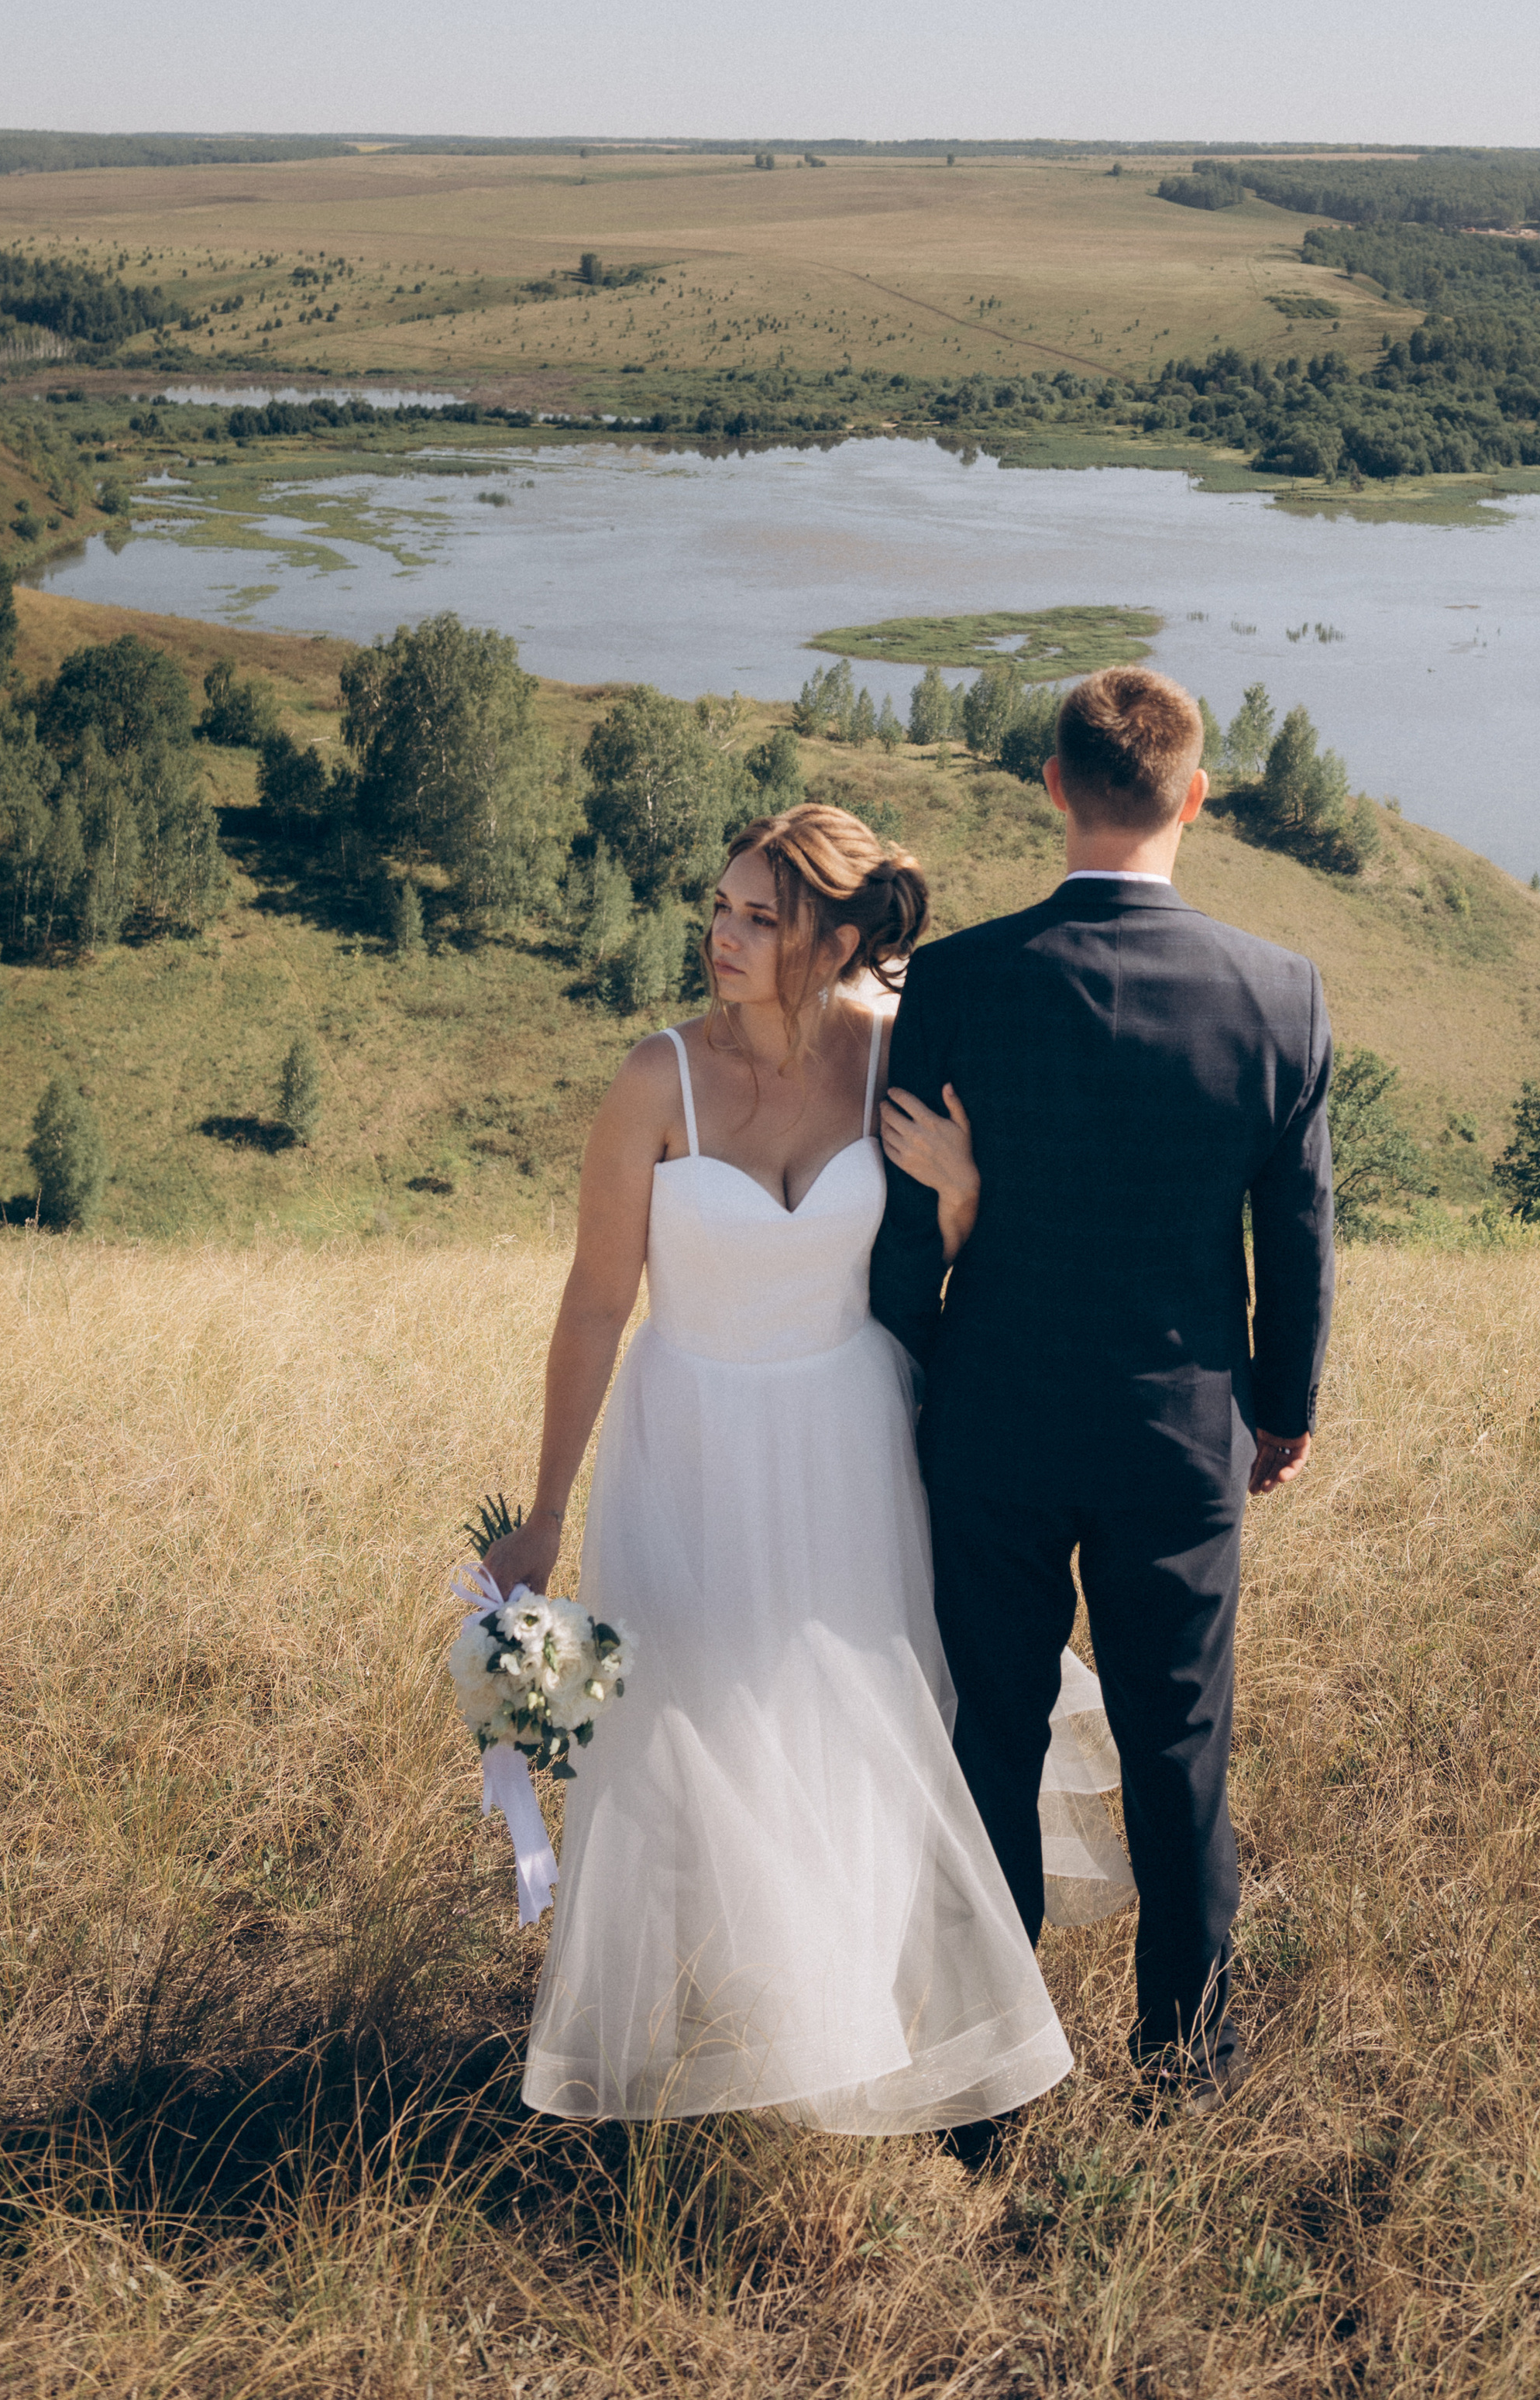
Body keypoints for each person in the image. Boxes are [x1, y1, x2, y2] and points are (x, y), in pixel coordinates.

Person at [481, 805, 1121, 2134]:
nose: (722, 936)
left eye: (758, 917)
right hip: (691, 1450)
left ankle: (840, 2020)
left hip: (853, 1441)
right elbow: (597, 1304)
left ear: (833, 935)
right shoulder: (654, 1080)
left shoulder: (898, 1053)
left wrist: (962, 1203)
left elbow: (959, 1256)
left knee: (854, 1724)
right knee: (693, 1728)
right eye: (718, 909)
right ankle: (718, 2023)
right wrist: (542, 1515)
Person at [871, 665, 1335, 2113]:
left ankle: (996, 2081)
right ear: (1196, 796)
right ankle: (1189, 2071)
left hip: (991, 1424)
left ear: (1056, 783)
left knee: (990, 1738)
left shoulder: (958, 983)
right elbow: (1298, 1236)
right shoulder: (1277, 993)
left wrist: (906, 1372)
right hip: (1179, 1435)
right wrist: (1283, 1409)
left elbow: (902, 1236)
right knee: (1178, 1746)